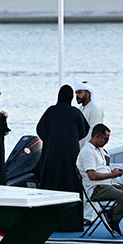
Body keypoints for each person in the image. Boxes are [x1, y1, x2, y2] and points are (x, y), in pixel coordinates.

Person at [37, 85, 90, 231]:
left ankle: (48, 223)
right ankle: (71, 224)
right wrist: (72, 138)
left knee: (50, 187)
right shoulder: (75, 113)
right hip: (70, 156)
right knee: (70, 187)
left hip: (51, 156)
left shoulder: (51, 111)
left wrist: (51, 139)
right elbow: (84, 129)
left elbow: (39, 129)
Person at [76, 123, 123, 235]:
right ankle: (113, 218)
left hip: (109, 184)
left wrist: (113, 172)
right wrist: (113, 175)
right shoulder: (88, 152)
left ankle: (112, 214)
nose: (107, 141)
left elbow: (101, 170)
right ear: (97, 136)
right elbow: (92, 176)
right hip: (96, 188)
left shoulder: (101, 150)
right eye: (105, 139)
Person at [74, 81, 104, 149]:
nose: (77, 95)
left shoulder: (95, 109)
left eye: (80, 92)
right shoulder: (79, 109)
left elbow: (95, 132)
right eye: (76, 93)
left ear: (88, 93)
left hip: (90, 150)